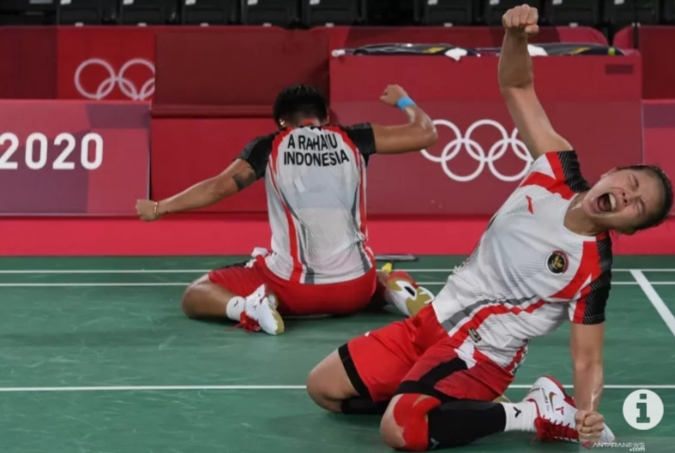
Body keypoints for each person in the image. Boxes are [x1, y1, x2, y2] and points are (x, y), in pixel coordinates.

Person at [306, 5, 673, 451]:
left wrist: (586, 411)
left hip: (481, 353)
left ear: (628, 229)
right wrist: (515, 36)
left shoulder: (593, 268)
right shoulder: (555, 168)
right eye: (631, 183)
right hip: (431, 320)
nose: (628, 197)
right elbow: (517, 86)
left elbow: (587, 358)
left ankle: (533, 411)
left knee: (400, 429)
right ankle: (436, 400)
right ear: (613, 172)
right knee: (323, 388)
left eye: (638, 207)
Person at [136, 83, 438, 335]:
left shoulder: (270, 146)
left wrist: (161, 207)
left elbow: (217, 188)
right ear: (324, 117)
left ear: (281, 121)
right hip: (356, 289)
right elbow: (426, 133)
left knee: (196, 294)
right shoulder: (355, 139)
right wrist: (403, 99)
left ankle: (249, 308)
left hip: (295, 290)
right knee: (372, 275)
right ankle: (395, 289)